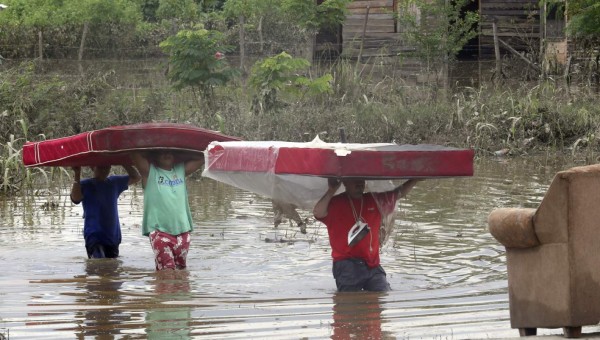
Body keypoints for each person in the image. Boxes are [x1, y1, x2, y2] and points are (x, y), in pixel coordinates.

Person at [313, 177, 423, 292]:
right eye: (355, 180)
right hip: (347, 265)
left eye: (362, 180)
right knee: (347, 304)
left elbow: (398, 193)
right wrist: (331, 190)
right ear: (345, 183)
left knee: (382, 295)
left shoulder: (373, 200)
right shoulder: (335, 202)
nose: (359, 183)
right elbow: (318, 213)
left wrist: (414, 180)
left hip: (372, 264)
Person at [131, 150, 204, 271]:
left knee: (181, 271)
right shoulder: (149, 172)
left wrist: (185, 153)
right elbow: (134, 153)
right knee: (167, 271)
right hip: (159, 231)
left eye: (170, 152)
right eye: (161, 152)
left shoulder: (180, 170)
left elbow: (202, 158)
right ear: (155, 156)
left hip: (183, 231)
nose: (166, 154)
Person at [70, 165, 141, 259]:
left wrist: (124, 162)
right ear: (92, 167)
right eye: (100, 167)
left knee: (112, 269)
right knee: (98, 265)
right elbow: (75, 199)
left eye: (106, 167)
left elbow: (136, 177)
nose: (104, 170)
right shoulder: (85, 184)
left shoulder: (115, 182)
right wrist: (77, 174)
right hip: (94, 236)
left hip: (112, 236)